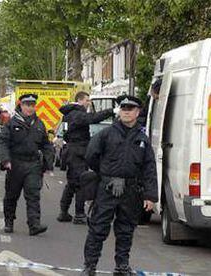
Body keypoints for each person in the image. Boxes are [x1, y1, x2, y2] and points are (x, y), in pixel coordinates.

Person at [81, 95, 158, 275]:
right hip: (108, 189)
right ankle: (89, 266)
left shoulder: (142, 139)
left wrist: (150, 196)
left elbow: (149, 168)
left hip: (131, 190)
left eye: (130, 109)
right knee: (98, 228)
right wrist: (107, 175)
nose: (126, 112)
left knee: (125, 230)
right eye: (123, 108)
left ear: (137, 112)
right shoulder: (106, 134)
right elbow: (91, 155)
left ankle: (121, 266)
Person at [0, 94, 54, 236]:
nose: (30, 108)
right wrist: (6, 160)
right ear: (21, 106)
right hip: (15, 164)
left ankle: (34, 224)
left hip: (33, 164)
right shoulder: (11, 123)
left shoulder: (39, 124)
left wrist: (48, 164)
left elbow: (46, 145)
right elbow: (3, 142)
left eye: (32, 105)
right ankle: (9, 221)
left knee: (33, 195)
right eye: (27, 105)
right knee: (11, 195)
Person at [57, 91, 115, 224]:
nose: (89, 103)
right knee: (80, 183)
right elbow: (93, 118)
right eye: (87, 100)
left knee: (72, 183)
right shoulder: (77, 113)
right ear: (80, 100)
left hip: (73, 151)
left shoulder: (70, 113)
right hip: (77, 151)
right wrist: (111, 111)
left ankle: (64, 211)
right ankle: (79, 214)